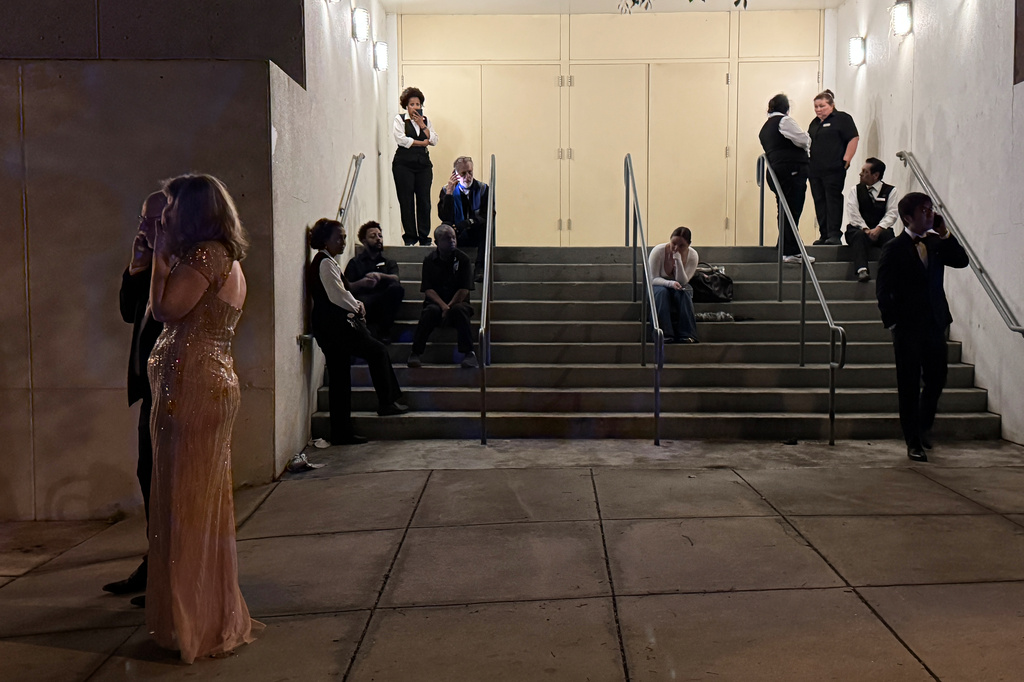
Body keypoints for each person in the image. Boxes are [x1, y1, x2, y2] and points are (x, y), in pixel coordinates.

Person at [147, 174, 260, 662]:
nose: (164, 215)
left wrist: (156, 255)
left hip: (193, 387)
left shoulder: (203, 257)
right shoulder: (225, 259)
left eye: (170, 207)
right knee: (201, 504)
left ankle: (193, 622)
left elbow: (165, 309)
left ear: (189, 212)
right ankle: (204, 613)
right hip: (209, 381)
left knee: (187, 506)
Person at [103, 191, 165, 601]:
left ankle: (166, 570)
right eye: (141, 218)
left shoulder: (184, 265)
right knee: (149, 476)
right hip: (150, 387)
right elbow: (130, 312)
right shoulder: (152, 265)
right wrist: (136, 265)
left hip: (177, 384)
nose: (142, 227)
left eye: (152, 220)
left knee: (167, 483)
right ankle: (156, 561)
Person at [875, 192, 969, 463]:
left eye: (931, 209)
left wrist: (944, 233)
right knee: (908, 384)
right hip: (907, 327)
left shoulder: (936, 242)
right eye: (925, 211)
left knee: (937, 379)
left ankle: (924, 425)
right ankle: (913, 441)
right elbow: (884, 289)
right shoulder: (894, 247)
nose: (930, 214)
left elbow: (961, 261)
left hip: (934, 323)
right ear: (908, 218)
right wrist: (892, 320)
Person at [308, 218, 409, 447]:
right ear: (326, 240)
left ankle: (342, 432)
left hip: (330, 327)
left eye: (344, 237)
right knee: (376, 351)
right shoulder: (324, 262)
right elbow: (336, 294)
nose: (343, 241)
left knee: (340, 378)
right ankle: (386, 402)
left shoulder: (327, 261)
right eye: (339, 237)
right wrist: (357, 306)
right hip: (335, 327)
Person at [408, 224, 477, 368]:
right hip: (436, 303)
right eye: (447, 238)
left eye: (453, 237)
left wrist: (450, 306)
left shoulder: (463, 260)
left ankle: (469, 353)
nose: (452, 241)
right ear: (437, 242)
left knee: (460, 310)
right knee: (430, 312)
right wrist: (443, 306)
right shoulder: (429, 260)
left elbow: (464, 289)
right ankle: (415, 352)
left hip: (458, 302)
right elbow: (428, 289)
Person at [759, 93, 814, 265]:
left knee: (784, 208)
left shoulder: (765, 128)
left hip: (775, 171)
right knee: (792, 209)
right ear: (786, 108)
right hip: (791, 170)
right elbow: (804, 140)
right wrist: (808, 139)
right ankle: (790, 251)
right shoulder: (784, 121)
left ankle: (783, 245)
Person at [808, 89, 859, 246]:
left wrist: (846, 159)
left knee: (833, 200)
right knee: (819, 201)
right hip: (815, 170)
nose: (818, 109)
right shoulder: (814, 123)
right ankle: (824, 234)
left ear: (831, 105)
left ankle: (834, 234)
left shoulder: (842, 119)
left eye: (822, 106)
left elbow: (853, 137)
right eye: (816, 106)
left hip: (833, 168)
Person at [344, 220, 405, 344]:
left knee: (396, 288)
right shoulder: (355, 262)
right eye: (373, 236)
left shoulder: (389, 262)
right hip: (364, 303)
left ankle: (384, 331)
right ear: (364, 241)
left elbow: (396, 278)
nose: (378, 239)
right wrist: (361, 283)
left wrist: (380, 276)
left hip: (384, 303)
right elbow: (346, 287)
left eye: (380, 236)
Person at [392, 86, 438, 246]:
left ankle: (424, 237)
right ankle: (410, 237)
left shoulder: (426, 121)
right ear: (406, 105)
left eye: (418, 104)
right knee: (406, 200)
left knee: (424, 200)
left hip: (423, 165)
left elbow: (434, 140)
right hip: (403, 164)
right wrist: (423, 142)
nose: (415, 107)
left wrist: (423, 126)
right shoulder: (399, 119)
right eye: (412, 104)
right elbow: (402, 140)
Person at [845, 157, 900, 282]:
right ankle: (862, 269)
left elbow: (892, 213)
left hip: (880, 229)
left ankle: (892, 270)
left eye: (865, 172)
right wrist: (865, 229)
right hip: (860, 229)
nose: (861, 174)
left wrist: (879, 229)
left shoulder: (891, 191)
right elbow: (853, 212)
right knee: (858, 235)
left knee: (889, 236)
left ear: (876, 175)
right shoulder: (856, 190)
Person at [437, 156, 491, 282]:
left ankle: (480, 269)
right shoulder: (446, 190)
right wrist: (449, 194)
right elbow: (444, 216)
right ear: (455, 174)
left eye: (470, 172)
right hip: (457, 234)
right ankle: (448, 268)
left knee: (485, 227)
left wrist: (468, 223)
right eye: (463, 173)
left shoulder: (483, 189)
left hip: (475, 231)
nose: (467, 176)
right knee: (445, 227)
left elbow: (487, 215)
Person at [649, 226, 700, 343]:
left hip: (679, 285)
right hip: (658, 284)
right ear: (670, 239)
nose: (676, 248)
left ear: (689, 245)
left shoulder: (693, 255)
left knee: (684, 292)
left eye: (681, 246)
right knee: (661, 293)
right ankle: (663, 334)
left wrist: (678, 261)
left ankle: (687, 334)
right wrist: (670, 283)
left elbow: (683, 281)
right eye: (673, 243)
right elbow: (652, 279)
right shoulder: (658, 251)